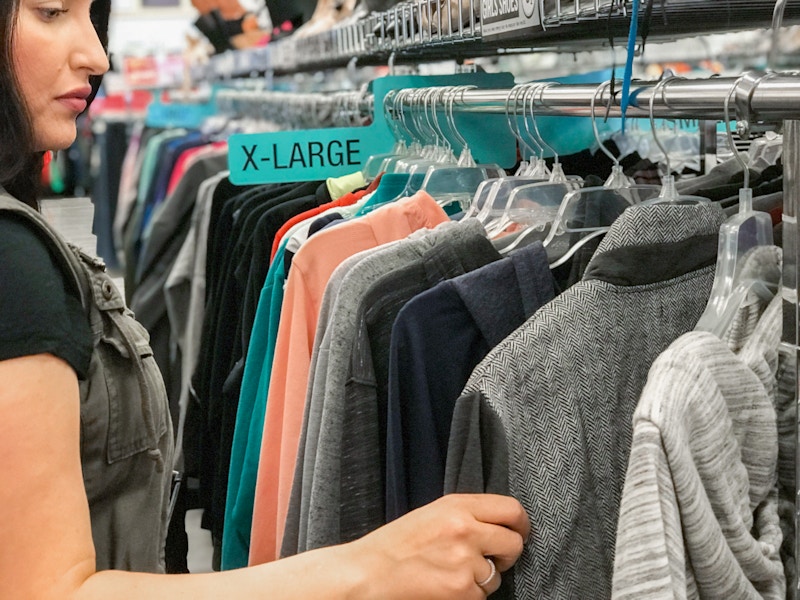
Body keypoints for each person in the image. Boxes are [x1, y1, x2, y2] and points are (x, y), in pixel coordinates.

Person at [0, 0, 530, 598]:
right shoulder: (14, 260)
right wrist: (371, 567)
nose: (96, 56)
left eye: (92, 16)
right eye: (50, 11)